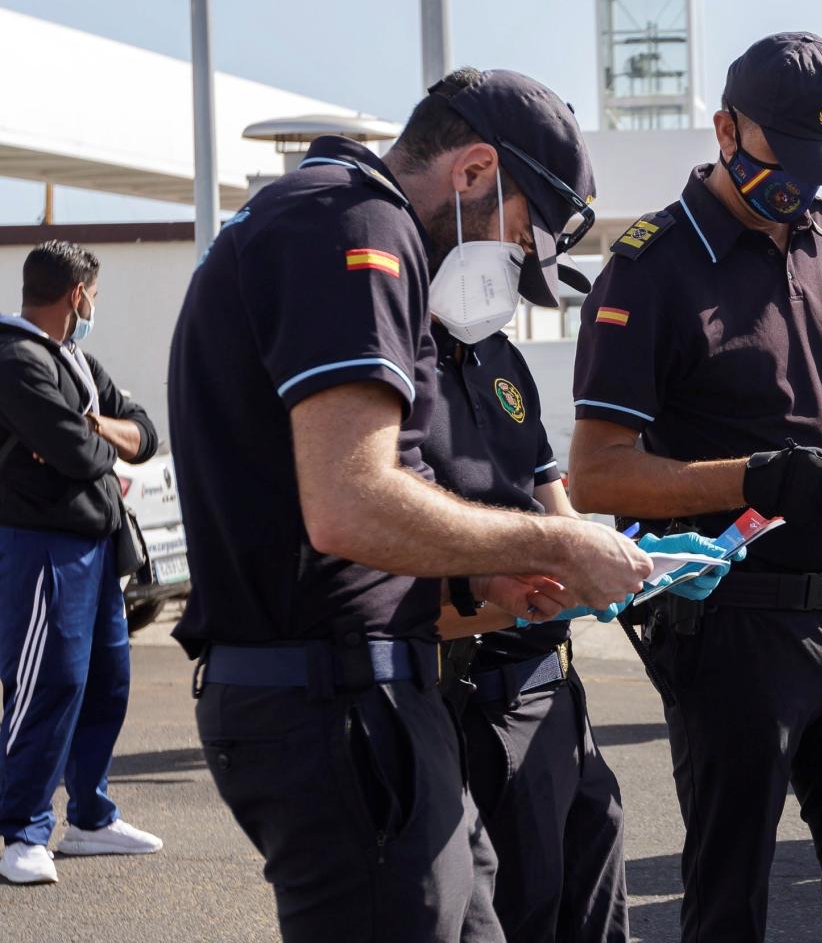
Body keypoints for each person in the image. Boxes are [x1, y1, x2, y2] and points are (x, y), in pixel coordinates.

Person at [167, 68, 652, 942]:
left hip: (368, 694)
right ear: (470, 172)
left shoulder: (326, 215)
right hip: (334, 705)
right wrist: (558, 545)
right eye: (515, 239)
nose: (508, 265)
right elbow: (352, 502)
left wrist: (487, 578)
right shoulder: (357, 221)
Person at [569, 32, 822, 943]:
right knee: (731, 898)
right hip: (732, 623)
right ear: (725, 127)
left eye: (820, 165)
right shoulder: (650, 268)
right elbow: (596, 469)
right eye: (785, 158)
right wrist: (756, 479)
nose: (801, 186)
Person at [0, 242, 163, 885]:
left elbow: (145, 432)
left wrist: (98, 427)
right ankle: (22, 831)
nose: (96, 305)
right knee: (48, 685)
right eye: (93, 294)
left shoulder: (77, 360)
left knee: (105, 683)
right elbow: (80, 456)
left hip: (98, 548)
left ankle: (90, 818)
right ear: (76, 295)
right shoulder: (14, 359)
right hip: (42, 548)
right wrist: (102, 433)